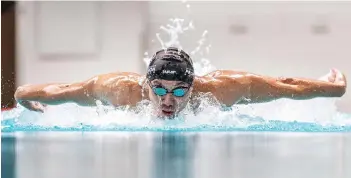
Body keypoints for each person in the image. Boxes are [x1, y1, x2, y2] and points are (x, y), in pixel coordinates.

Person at [14, 47, 347, 118]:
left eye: (177, 91)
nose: (166, 100)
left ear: (194, 86)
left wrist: (334, 88)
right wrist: (30, 103)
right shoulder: (119, 89)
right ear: (146, 85)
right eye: (158, 89)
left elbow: (284, 86)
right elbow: (53, 92)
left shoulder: (222, 90)